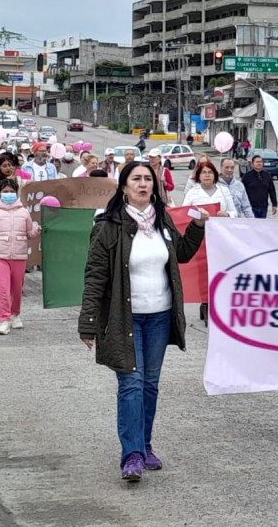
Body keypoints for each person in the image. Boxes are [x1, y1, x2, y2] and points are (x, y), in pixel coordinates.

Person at [78, 162, 209, 482]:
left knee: (150, 385)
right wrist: (89, 320)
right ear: (123, 187)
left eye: (147, 179)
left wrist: (198, 227)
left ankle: (146, 445)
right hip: (126, 318)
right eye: (135, 179)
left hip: (160, 316)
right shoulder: (108, 225)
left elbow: (180, 254)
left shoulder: (162, 219)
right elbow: (95, 274)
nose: (142, 184)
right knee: (131, 384)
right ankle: (132, 454)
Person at [0, 179, 39, 336]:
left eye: (11, 191)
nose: (8, 194)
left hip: (19, 256)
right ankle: (4, 320)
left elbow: (29, 234)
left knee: (17, 289)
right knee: (2, 289)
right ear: (0, 193)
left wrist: (37, 230)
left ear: (16, 192)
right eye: (5, 192)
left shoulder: (24, 212)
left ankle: (15, 314)